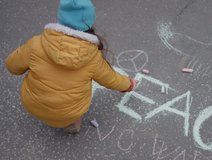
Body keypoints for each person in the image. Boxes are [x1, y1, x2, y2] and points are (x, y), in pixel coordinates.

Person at [5, 0, 136, 133]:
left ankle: (47, 112)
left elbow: (11, 66)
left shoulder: (36, 44)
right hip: (67, 114)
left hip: (32, 104)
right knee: (74, 111)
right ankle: (72, 126)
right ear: (89, 23)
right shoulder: (92, 57)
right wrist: (128, 84)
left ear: (60, 18)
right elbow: (111, 79)